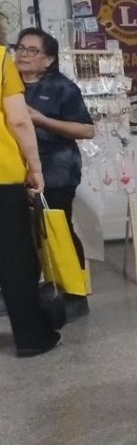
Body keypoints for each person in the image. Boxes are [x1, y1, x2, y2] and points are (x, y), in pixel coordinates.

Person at [16, 28, 94, 320]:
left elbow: (86, 129)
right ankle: (26, 292)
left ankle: (75, 294)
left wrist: (42, 120)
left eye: (32, 50)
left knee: (58, 231)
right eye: (20, 48)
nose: (23, 54)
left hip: (56, 171)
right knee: (21, 235)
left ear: (48, 59)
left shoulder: (62, 87)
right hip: (15, 172)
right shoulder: (9, 84)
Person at [0, 30, 61, 356]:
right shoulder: (1, 61)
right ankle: (31, 337)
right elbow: (19, 120)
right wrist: (35, 167)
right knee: (15, 258)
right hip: (2, 174)